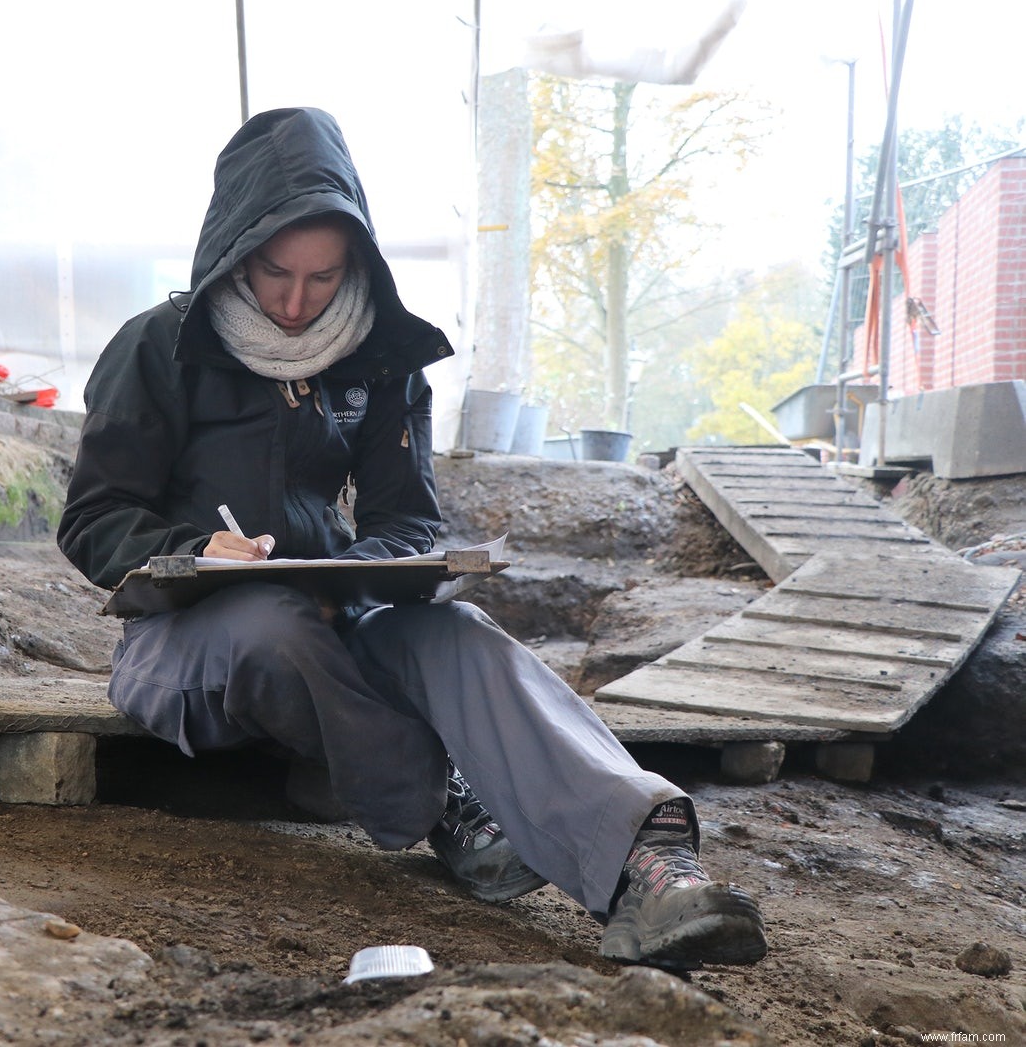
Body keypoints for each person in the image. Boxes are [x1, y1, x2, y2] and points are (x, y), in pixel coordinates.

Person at [57, 107, 766, 971]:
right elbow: (93, 518)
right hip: (185, 641)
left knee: (460, 637)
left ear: (357, 261)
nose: (293, 303)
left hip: (335, 614)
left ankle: (651, 868)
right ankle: (444, 799)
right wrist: (194, 550)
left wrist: (371, 569)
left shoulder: (379, 356)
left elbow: (407, 520)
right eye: (276, 272)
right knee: (273, 626)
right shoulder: (158, 350)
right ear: (233, 248)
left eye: (322, 278)